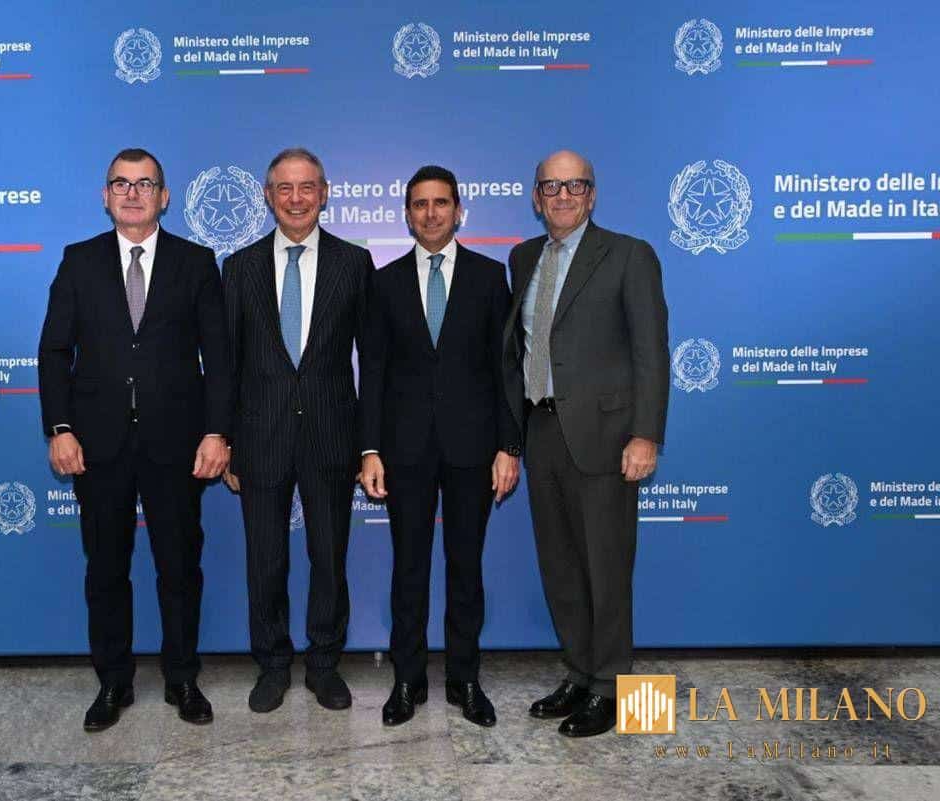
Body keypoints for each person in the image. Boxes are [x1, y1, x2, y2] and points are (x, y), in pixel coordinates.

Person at [38, 148, 231, 731]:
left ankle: (182, 678)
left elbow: (220, 357)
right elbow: (54, 351)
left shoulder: (196, 262)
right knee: (105, 570)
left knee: (180, 568)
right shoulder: (79, 261)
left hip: (177, 445)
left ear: (163, 197)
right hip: (97, 446)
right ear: (105, 196)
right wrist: (60, 428)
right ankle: (113, 682)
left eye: (144, 183)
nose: (131, 193)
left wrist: (217, 431)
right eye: (120, 183)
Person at [503, 150, 669, 737]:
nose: (563, 196)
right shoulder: (523, 257)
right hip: (542, 430)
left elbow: (651, 352)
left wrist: (645, 435)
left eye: (575, 185)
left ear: (592, 195)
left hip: (606, 437)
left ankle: (614, 688)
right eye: (551, 186)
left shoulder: (629, 255)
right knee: (562, 566)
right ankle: (578, 672)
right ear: (536, 197)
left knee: (607, 567)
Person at [359, 165, 520, 728]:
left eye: (441, 203)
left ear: (459, 211)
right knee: (408, 567)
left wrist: (509, 445)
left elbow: (505, 370)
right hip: (403, 450)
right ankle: (407, 680)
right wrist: (369, 449)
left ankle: (464, 679)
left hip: (473, 448)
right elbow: (372, 372)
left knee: (465, 566)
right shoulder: (383, 282)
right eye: (420, 204)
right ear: (407, 214)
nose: (431, 213)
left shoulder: (488, 277)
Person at [221, 147, 374, 713]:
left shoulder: (353, 263)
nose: (296, 198)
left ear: (324, 193)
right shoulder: (238, 267)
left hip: (332, 435)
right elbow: (226, 364)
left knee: (329, 558)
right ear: (268, 196)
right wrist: (227, 439)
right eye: (284, 188)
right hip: (259, 437)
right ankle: (272, 665)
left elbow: (373, 362)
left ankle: (324, 664)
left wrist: (369, 443)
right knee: (265, 560)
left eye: (307, 187)